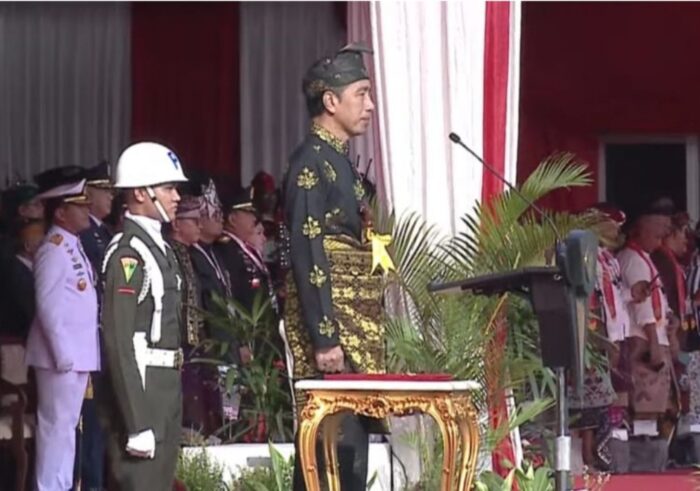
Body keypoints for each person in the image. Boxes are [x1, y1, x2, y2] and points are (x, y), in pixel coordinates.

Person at [283, 42, 387, 490]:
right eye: (361, 94)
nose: (370, 105)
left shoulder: (339, 161)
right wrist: (325, 337)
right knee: (328, 452)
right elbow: (308, 251)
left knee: (350, 455)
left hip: (355, 329)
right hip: (334, 335)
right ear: (330, 101)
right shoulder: (311, 163)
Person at [99, 142, 187, 490]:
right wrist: (136, 422)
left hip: (163, 388)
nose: (177, 197)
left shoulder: (159, 248)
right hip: (143, 391)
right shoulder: (129, 254)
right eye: (168, 188)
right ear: (139, 193)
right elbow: (119, 342)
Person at [24, 173, 100, 491]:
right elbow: (48, 306)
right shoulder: (53, 249)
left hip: (76, 355)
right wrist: (61, 353)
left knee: (67, 429)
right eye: (79, 206)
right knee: (55, 429)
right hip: (60, 356)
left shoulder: (71, 244)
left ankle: (62, 485)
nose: (87, 210)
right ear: (60, 212)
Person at [617, 212, 675, 450]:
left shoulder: (643, 257)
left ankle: (647, 444)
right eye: (656, 234)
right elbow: (643, 305)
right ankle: (643, 449)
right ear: (640, 231)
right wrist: (654, 342)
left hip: (653, 335)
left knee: (655, 399)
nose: (660, 239)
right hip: (643, 337)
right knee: (644, 398)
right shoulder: (633, 259)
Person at [0, 218, 44, 340]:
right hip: (17, 340)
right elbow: (27, 313)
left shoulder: (22, 269)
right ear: (28, 246)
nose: (47, 248)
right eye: (42, 243)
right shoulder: (16, 273)